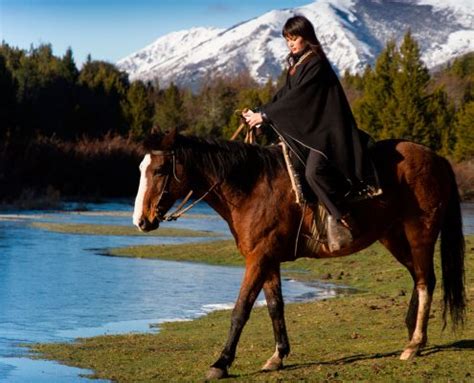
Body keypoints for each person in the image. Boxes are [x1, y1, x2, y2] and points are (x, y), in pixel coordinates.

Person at [243, 15, 380, 251]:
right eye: (287, 40)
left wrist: (265, 116)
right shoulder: (298, 65)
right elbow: (284, 96)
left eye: (294, 38)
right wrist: (258, 112)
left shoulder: (316, 63)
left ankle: (345, 220)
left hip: (327, 134)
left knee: (314, 173)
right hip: (313, 132)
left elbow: (298, 99)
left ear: (306, 37)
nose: (291, 44)